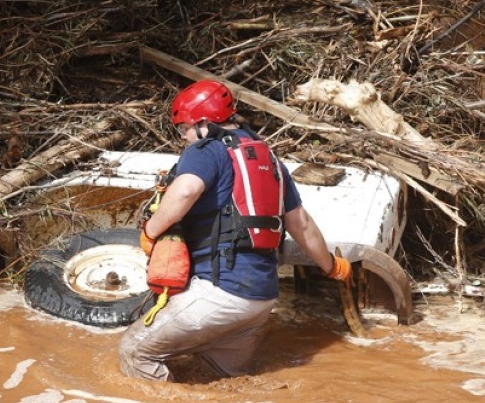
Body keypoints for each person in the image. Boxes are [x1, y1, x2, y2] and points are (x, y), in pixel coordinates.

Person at [118, 79, 352, 382]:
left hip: (219, 294)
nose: (184, 138)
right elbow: (301, 223)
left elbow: (186, 190)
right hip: (261, 302)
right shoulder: (269, 158)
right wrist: (332, 267)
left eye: (183, 129)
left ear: (202, 123)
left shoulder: (206, 150)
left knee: (135, 351)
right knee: (218, 380)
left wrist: (150, 231)